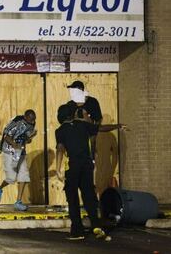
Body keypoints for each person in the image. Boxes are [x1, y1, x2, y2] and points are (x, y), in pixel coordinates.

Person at [55, 104, 125, 240]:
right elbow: (101, 128)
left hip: (73, 166)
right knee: (89, 196)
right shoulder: (83, 125)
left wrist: (58, 169)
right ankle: (96, 225)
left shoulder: (60, 131)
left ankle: (77, 231)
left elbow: (60, 148)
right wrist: (118, 126)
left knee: (73, 198)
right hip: (87, 165)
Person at [0, 110, 36, 211]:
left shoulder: (32, 124)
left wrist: (29, 138)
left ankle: (18, 201)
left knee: (24, 175)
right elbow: (7, 137)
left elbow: (26, 138)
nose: (32, 122)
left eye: (33, 119)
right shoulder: (17, 123)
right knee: (11, 178)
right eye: (30, 119)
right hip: (9, 151)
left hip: (20, 152)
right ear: (25, 117)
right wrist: (15, 145)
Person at [66, 80, 102, 160]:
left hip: (88, 138)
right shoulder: (70, 104)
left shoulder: (92, 102)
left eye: (73, 89)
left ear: (80, 90)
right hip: (74, 139)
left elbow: (98, 119)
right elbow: (67, 120)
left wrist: (93, 135)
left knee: (89, 163)